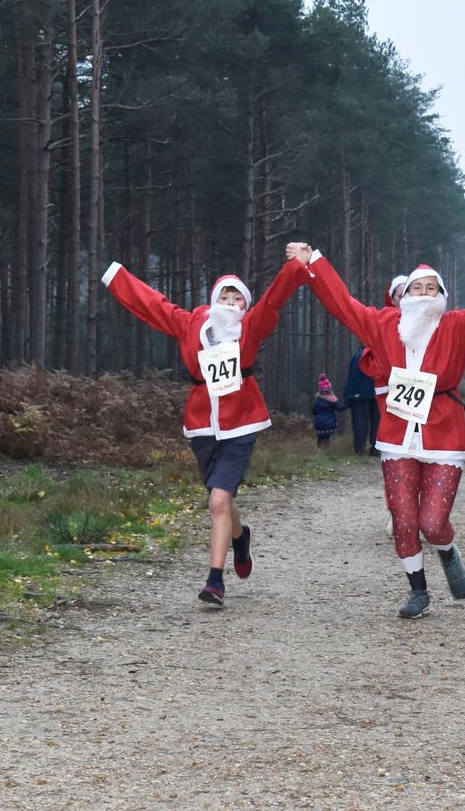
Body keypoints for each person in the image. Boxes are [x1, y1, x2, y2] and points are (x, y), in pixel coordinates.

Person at [290, 237, 465, 618]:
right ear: (404, 296)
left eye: (431, 288)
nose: (423, 293)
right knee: (404, 519)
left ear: (442, 296)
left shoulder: (457, 326)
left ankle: (447, 548)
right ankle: (418, 591)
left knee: (432, 523)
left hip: (444, 433)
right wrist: (314, 262)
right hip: (396, 434)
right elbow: (343, 305)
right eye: (416, 288)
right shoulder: (384, 325)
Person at [102, 246, 308, 606]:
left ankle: (215, 581)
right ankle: (240, 538)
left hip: (242, 422)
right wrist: (115, 276)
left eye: (238, 298)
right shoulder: (191, 324)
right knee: (221, 496)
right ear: (213, 300)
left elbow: (275, 299)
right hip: (202, 425)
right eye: (224, 296)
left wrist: (296, 267)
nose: (230, 302)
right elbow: (154, 305)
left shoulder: (251, 328)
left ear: (245, 307)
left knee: (217, 500)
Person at [344, 346, 380, 455]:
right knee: (376, 421)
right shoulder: (379, 354)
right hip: (378, 391)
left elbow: (353, 376)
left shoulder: (359, 356)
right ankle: (375, 448)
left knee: (360, 421)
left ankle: (360, 449)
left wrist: (349, 395)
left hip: (360, 394)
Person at [312, 373, 346, 447]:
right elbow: (340, 408)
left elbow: (314, 411)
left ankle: (319, 453)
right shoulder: (332, 400)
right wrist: (348, 403)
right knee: (326, 439)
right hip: (329, 423)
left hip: (319, 424)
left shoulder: (317, 399)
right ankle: (327, 453)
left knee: (320, 439)